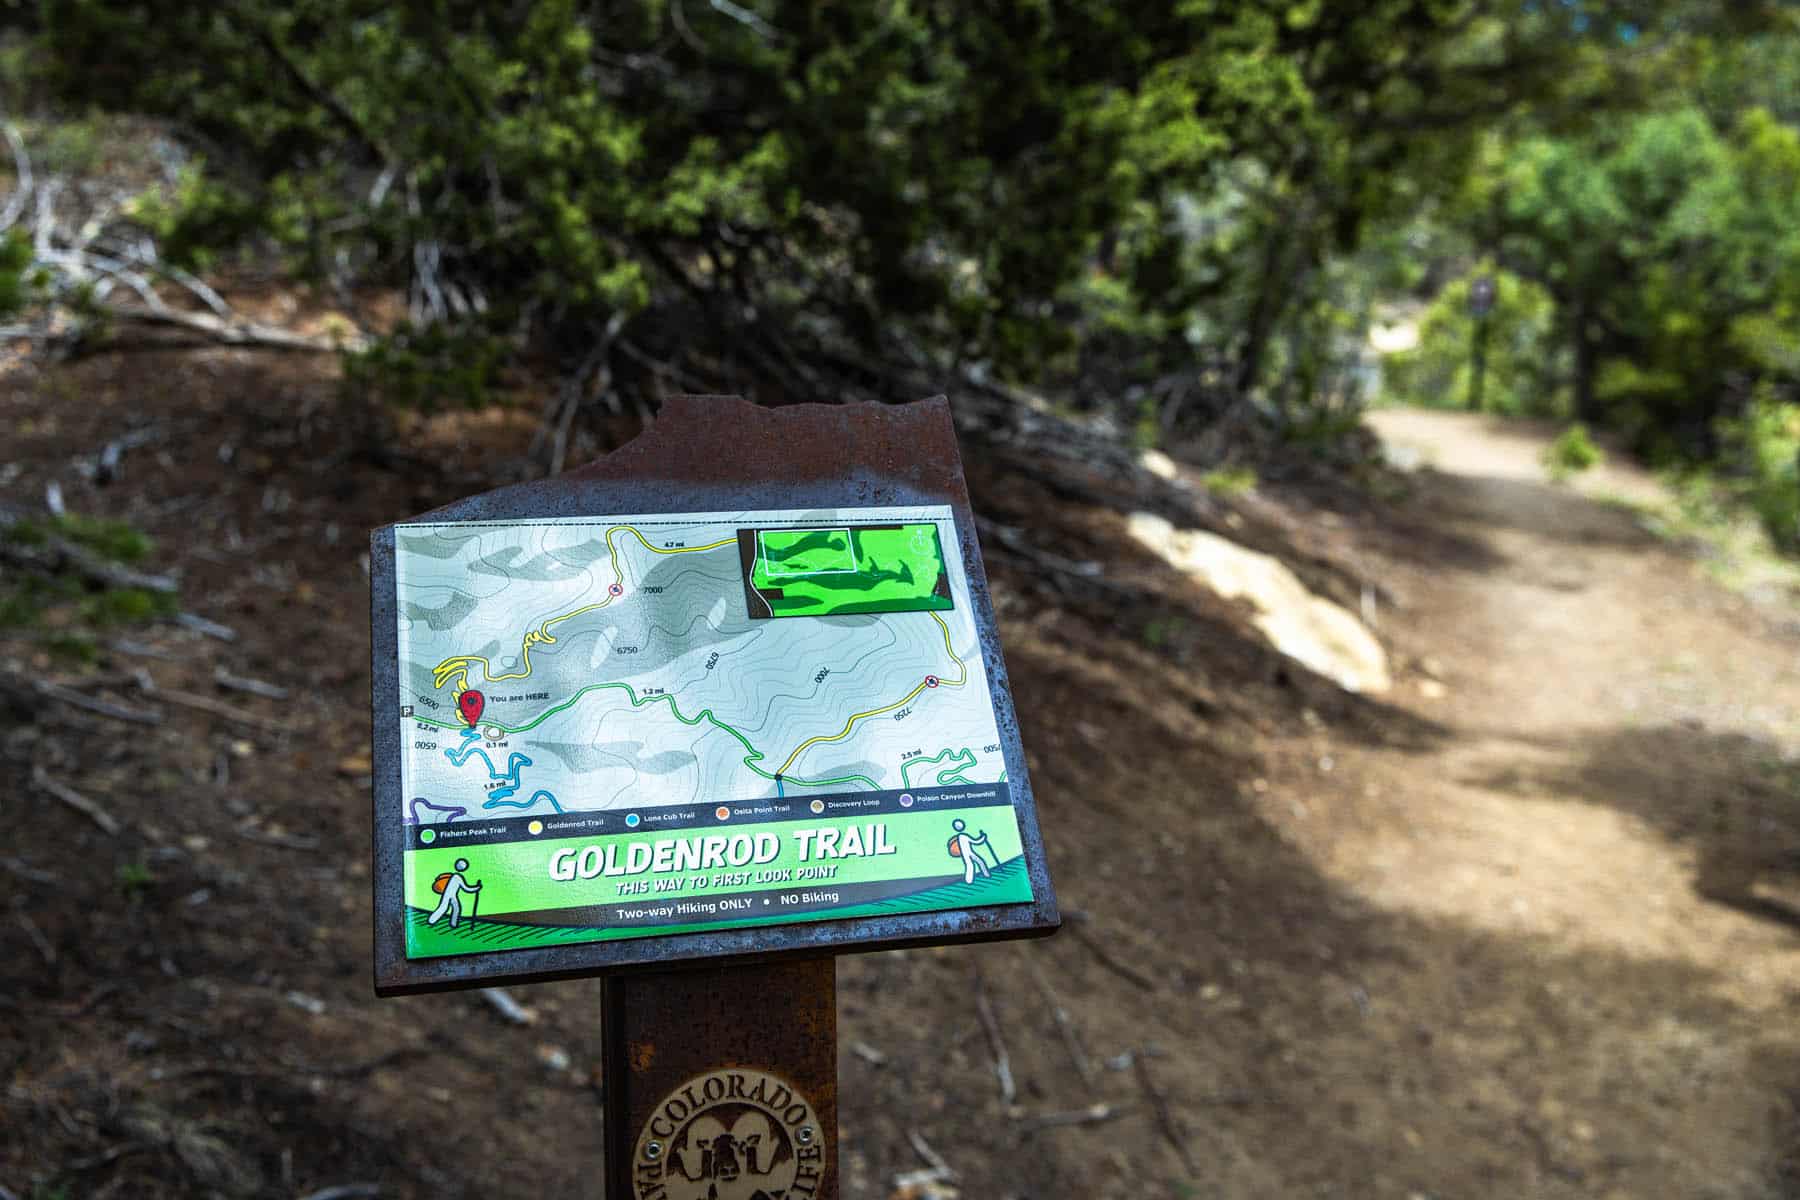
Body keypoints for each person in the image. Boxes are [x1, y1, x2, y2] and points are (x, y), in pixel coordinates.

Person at [427, 858, 482, 928]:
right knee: (443, 908)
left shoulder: (456, 876)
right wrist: (477, 888)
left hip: (453, 895)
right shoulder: (457, 877)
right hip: (448, 895)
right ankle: (431, 921)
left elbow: (466, 888)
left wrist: (476, 888)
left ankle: (454, 924)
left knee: (456, 908)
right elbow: (466, 888)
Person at [948, 818, 993, 885]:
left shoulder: (962, 836)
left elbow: (976, 841)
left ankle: (986, 875)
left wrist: (982, 837)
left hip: (970, 852)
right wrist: (983, 837)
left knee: (980, 861)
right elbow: (976, 841)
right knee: (970, 865)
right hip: (966, 854)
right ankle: (969, 881)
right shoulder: (962, 836)